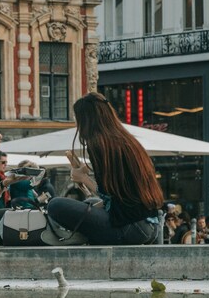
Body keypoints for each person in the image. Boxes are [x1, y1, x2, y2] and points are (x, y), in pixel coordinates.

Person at [45, 92, 164, 245]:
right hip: (149, 226)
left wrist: (83, 178)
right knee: (90, 202)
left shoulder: (100, 145)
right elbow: (122, 197)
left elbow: (109, 194)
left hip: (130, 228)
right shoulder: (127, 141)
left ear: (86, 120)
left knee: (55, 205)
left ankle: (78, 237)